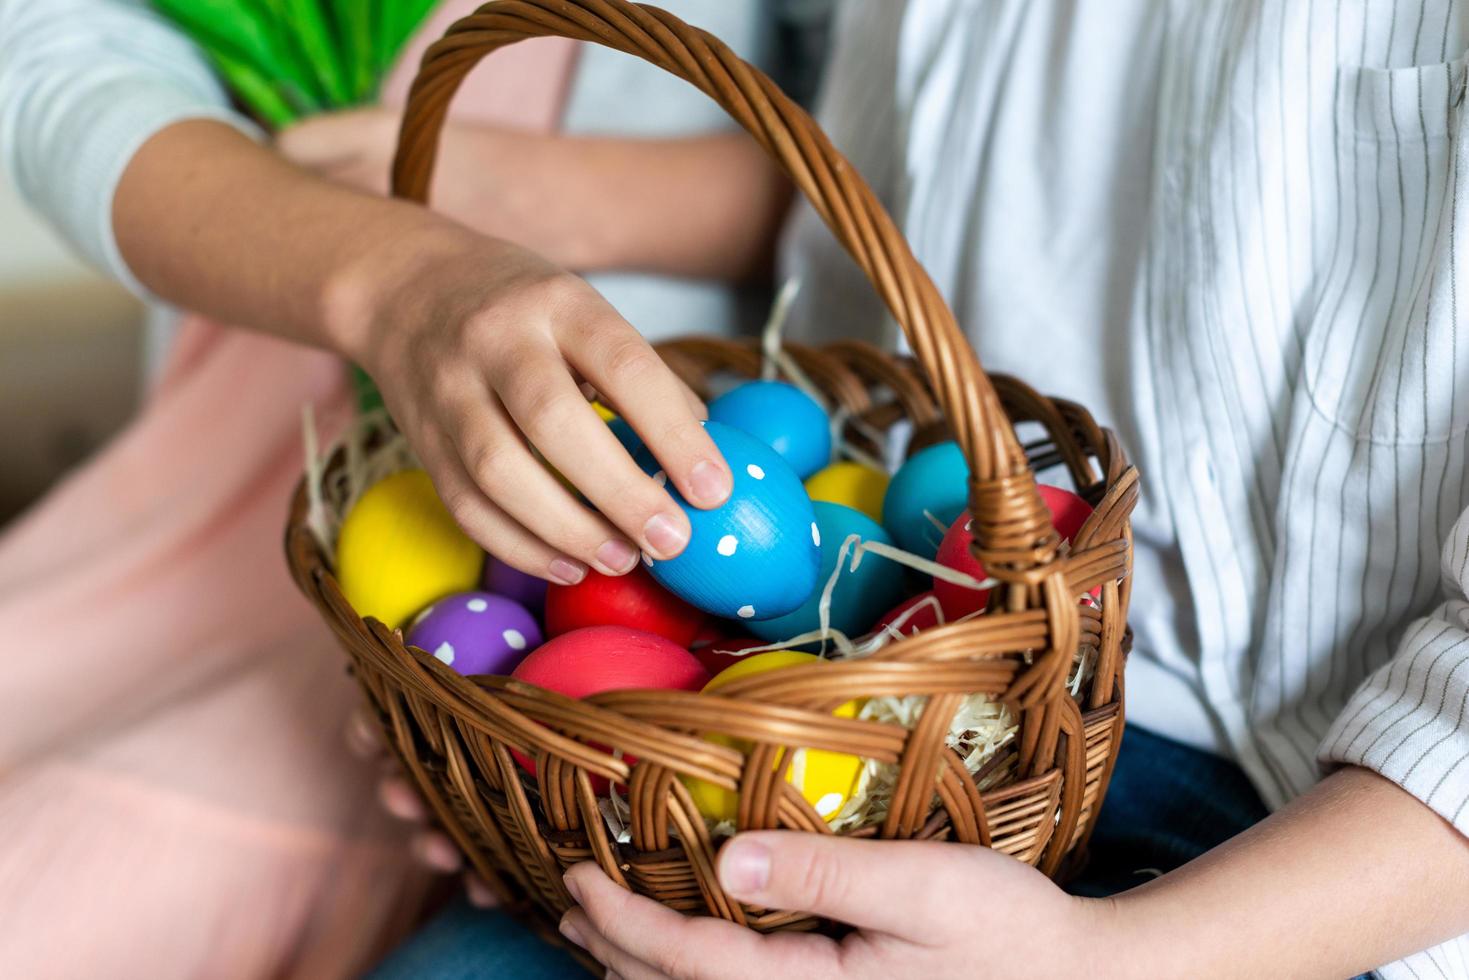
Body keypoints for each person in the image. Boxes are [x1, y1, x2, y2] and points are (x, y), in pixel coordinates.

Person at [5, 1, 1469, 978]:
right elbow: (854, 162)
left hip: (1276, 831)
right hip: (827, 685)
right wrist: (569, 726)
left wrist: (1120, 964)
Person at [0, 0, 807, 975]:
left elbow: (888, 144)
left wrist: (527, 187)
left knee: (67, 878)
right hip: (271, 463)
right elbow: (55, 50)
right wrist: (391, 271)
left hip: (607, 444)